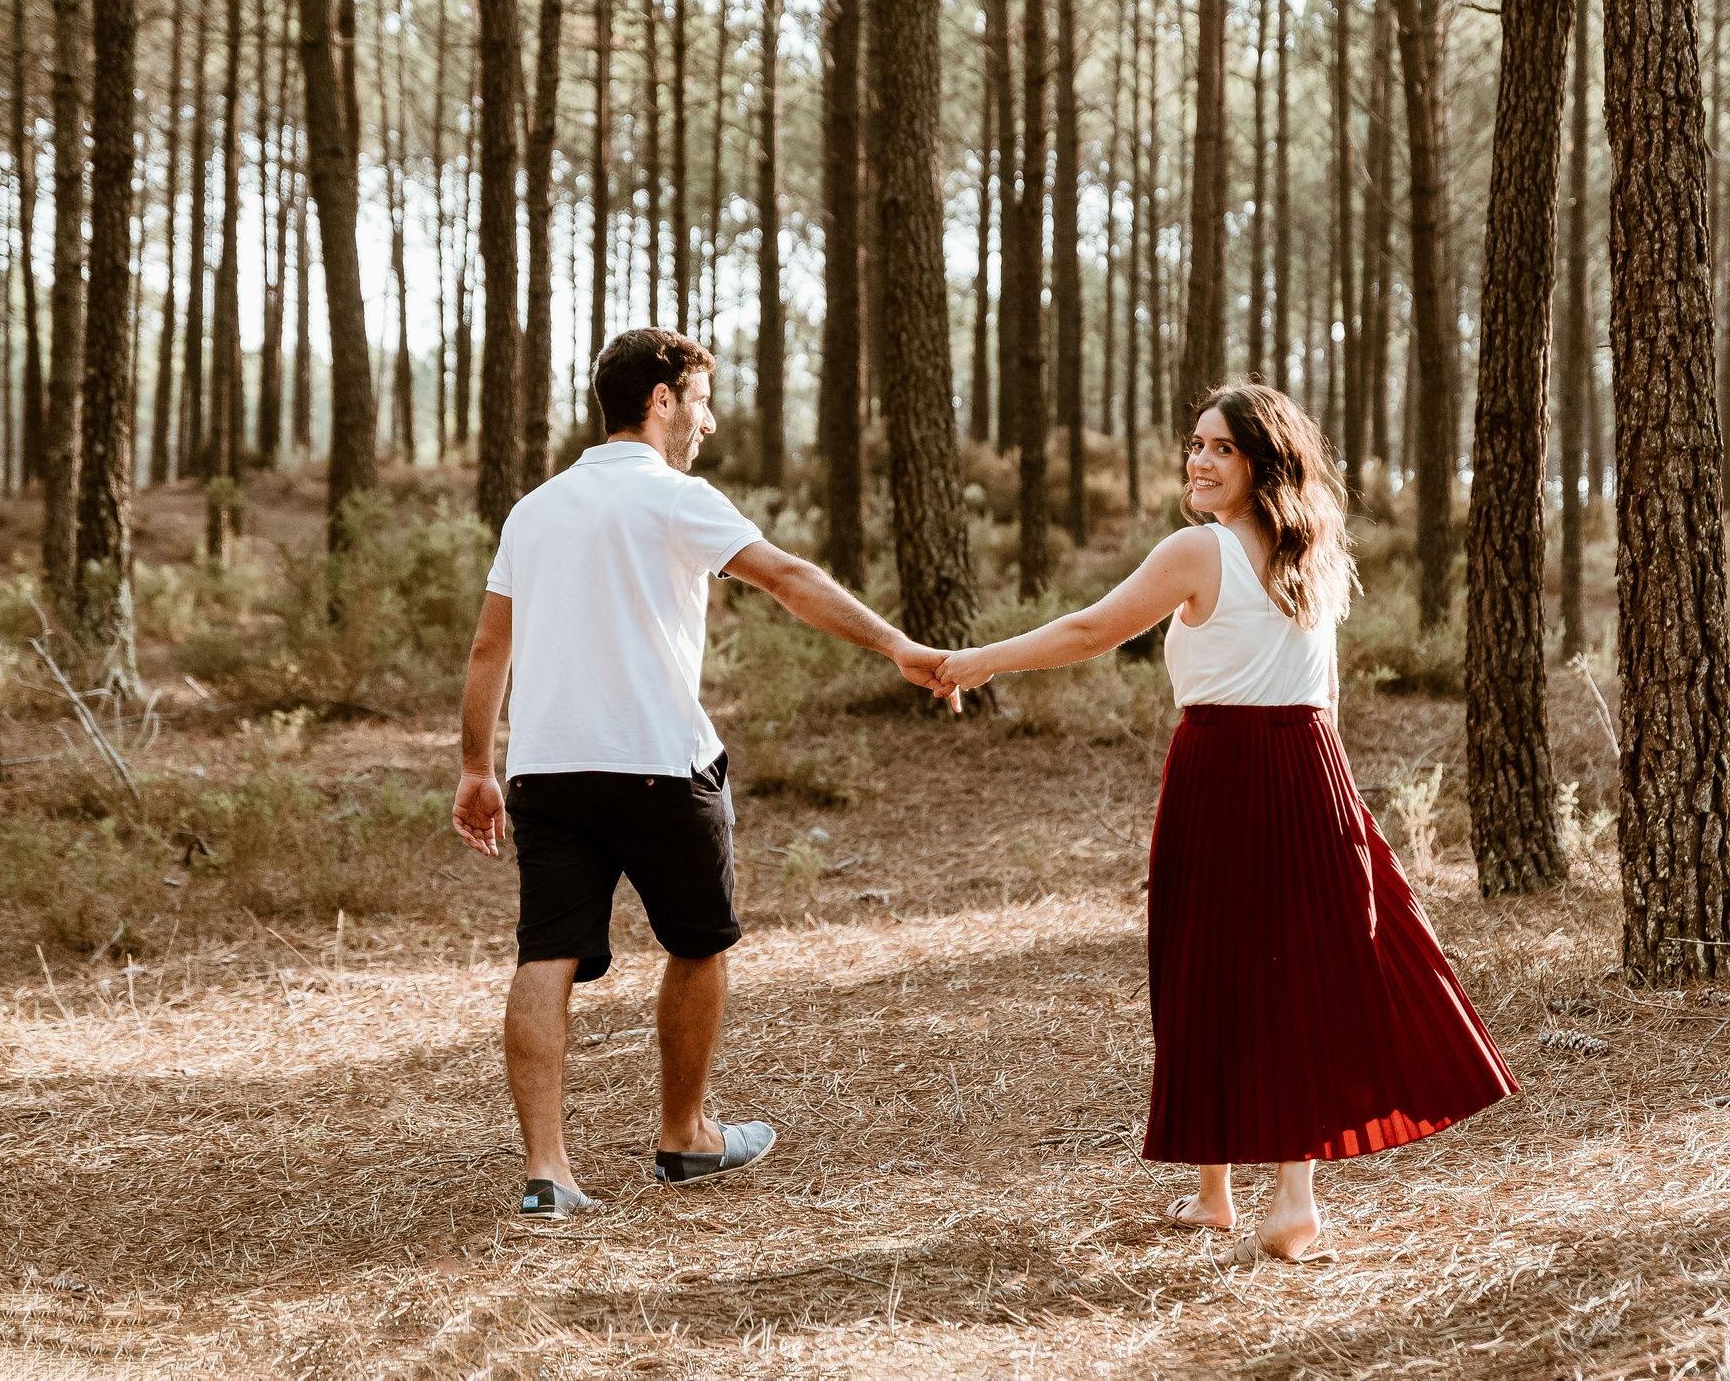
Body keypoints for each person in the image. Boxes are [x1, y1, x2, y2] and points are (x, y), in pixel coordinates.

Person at [940, 384, 1517, 1262]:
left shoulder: (1198, 550)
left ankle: (1251, 1199)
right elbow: (1324, 689)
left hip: (1225, 767)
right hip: (1311, 767)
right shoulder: (1315, 548)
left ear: (1260, 464)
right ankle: (1256, 1198)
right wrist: (1341, 796)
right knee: (1300, 977)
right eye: (1196, 444)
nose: (1200, 462)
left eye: (1222, 450)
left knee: (1204, 966)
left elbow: (1096, 627)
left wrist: (983, 661)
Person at [451, 328, 954, 1220]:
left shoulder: (535, 509)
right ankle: (684, 1137)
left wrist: (476, 767)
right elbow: (789, 578)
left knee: (545, 953)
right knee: (698, 943)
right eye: (700, 398)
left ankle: (548, 1173)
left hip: (544, 771)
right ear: (660, 399)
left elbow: (492, 645)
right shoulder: (675, 497)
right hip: (656, 766)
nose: (708, 421)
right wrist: (899, 646)